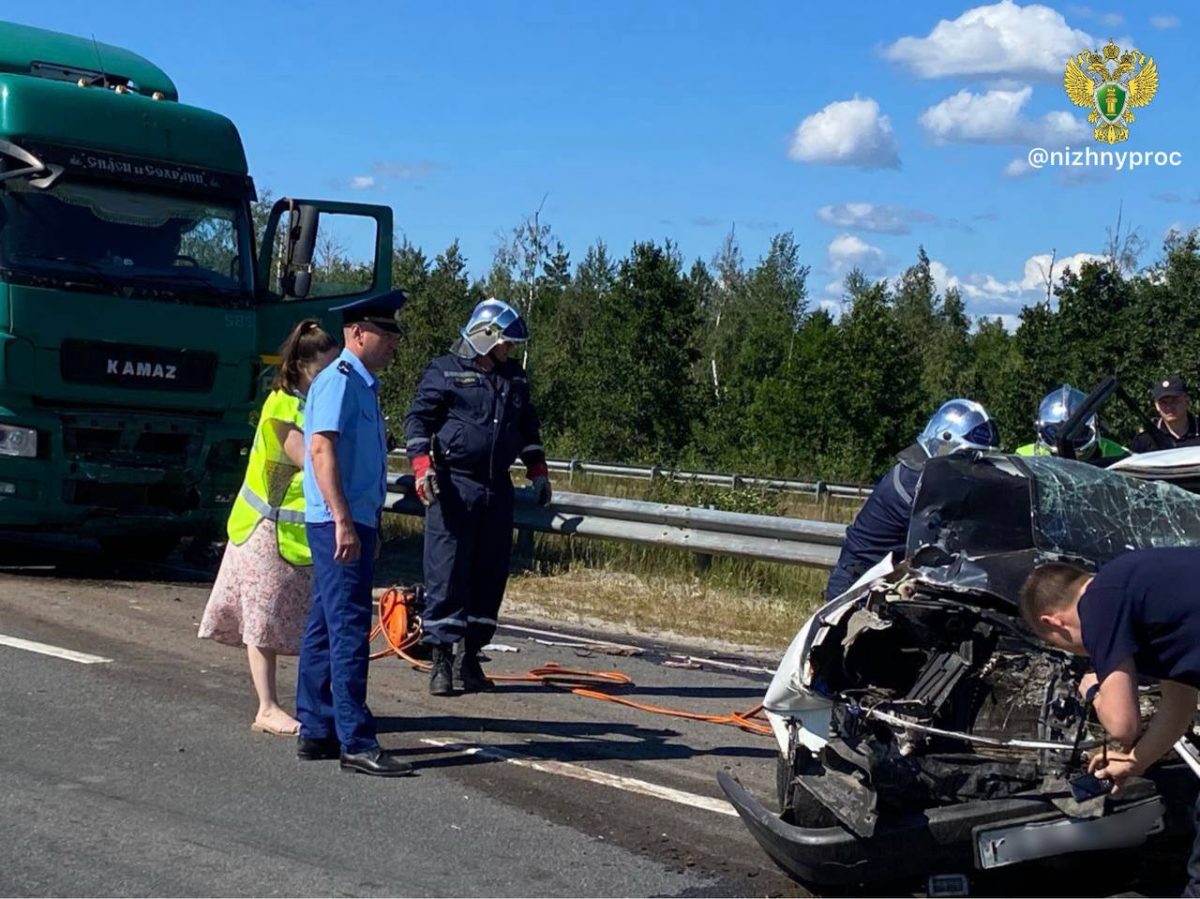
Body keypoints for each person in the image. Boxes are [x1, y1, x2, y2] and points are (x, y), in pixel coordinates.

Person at [1019, 548, 1200, 894]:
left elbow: (1122, 726)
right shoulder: (1144, 586)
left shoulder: (1099, 603)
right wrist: (1134, 762)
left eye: (1064, 646)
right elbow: (1180, 704)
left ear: (1052, 622)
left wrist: (1094, 691)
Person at [198, 318, 339, 736]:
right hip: (263, 529)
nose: (329, 378)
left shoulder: (312, 404)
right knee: (261, 619)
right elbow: (309, 460)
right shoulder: (282, 405)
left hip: (292, 535)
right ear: (301, 367)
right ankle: (267, 707)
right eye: (324, 370)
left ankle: (306, 703)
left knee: (295, 618)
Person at [294, 289, 414, 777]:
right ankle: (356, 740)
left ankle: (317, 729)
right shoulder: (340, 381)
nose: (392, 344)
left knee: (325, 624)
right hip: (336, 521)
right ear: (357, 332)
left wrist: (365, 522)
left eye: (394, 336)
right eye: (385, 334)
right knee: (347, 629)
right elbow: (321, 451)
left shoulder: (362, 385)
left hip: (352, 520)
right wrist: (344, 519)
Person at [404, 298, 550, 696]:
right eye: (505, 343)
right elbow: (417, 421)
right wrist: (422, 467)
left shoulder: (513, 378)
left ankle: (470, 659)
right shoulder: (445, 371)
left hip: (495, 491)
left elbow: (527, 429)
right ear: (486, 337)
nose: (509, 351)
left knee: (489, 576)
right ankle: (440, 662)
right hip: (454, 488)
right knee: (447, 573)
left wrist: (537, 472)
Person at [824, 398, 1000, 601]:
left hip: (890, 579)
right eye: (968, 456)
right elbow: (946, 535)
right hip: (861, 582)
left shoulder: (933, 474)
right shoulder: (915, 481)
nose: (975, 466)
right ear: (944, 443)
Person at [1015, 384, 1126, 460]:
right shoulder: (1022, 458)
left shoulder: (1120, 456)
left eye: (1077, 431)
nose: (1065, 439)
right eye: (1056, 430)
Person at [1130, 376, 1200, 453]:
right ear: (1157, 406)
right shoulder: (1146, 440)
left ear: (1186, 400)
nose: (1169, 407)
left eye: (1174, 400)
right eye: (1163, 402)